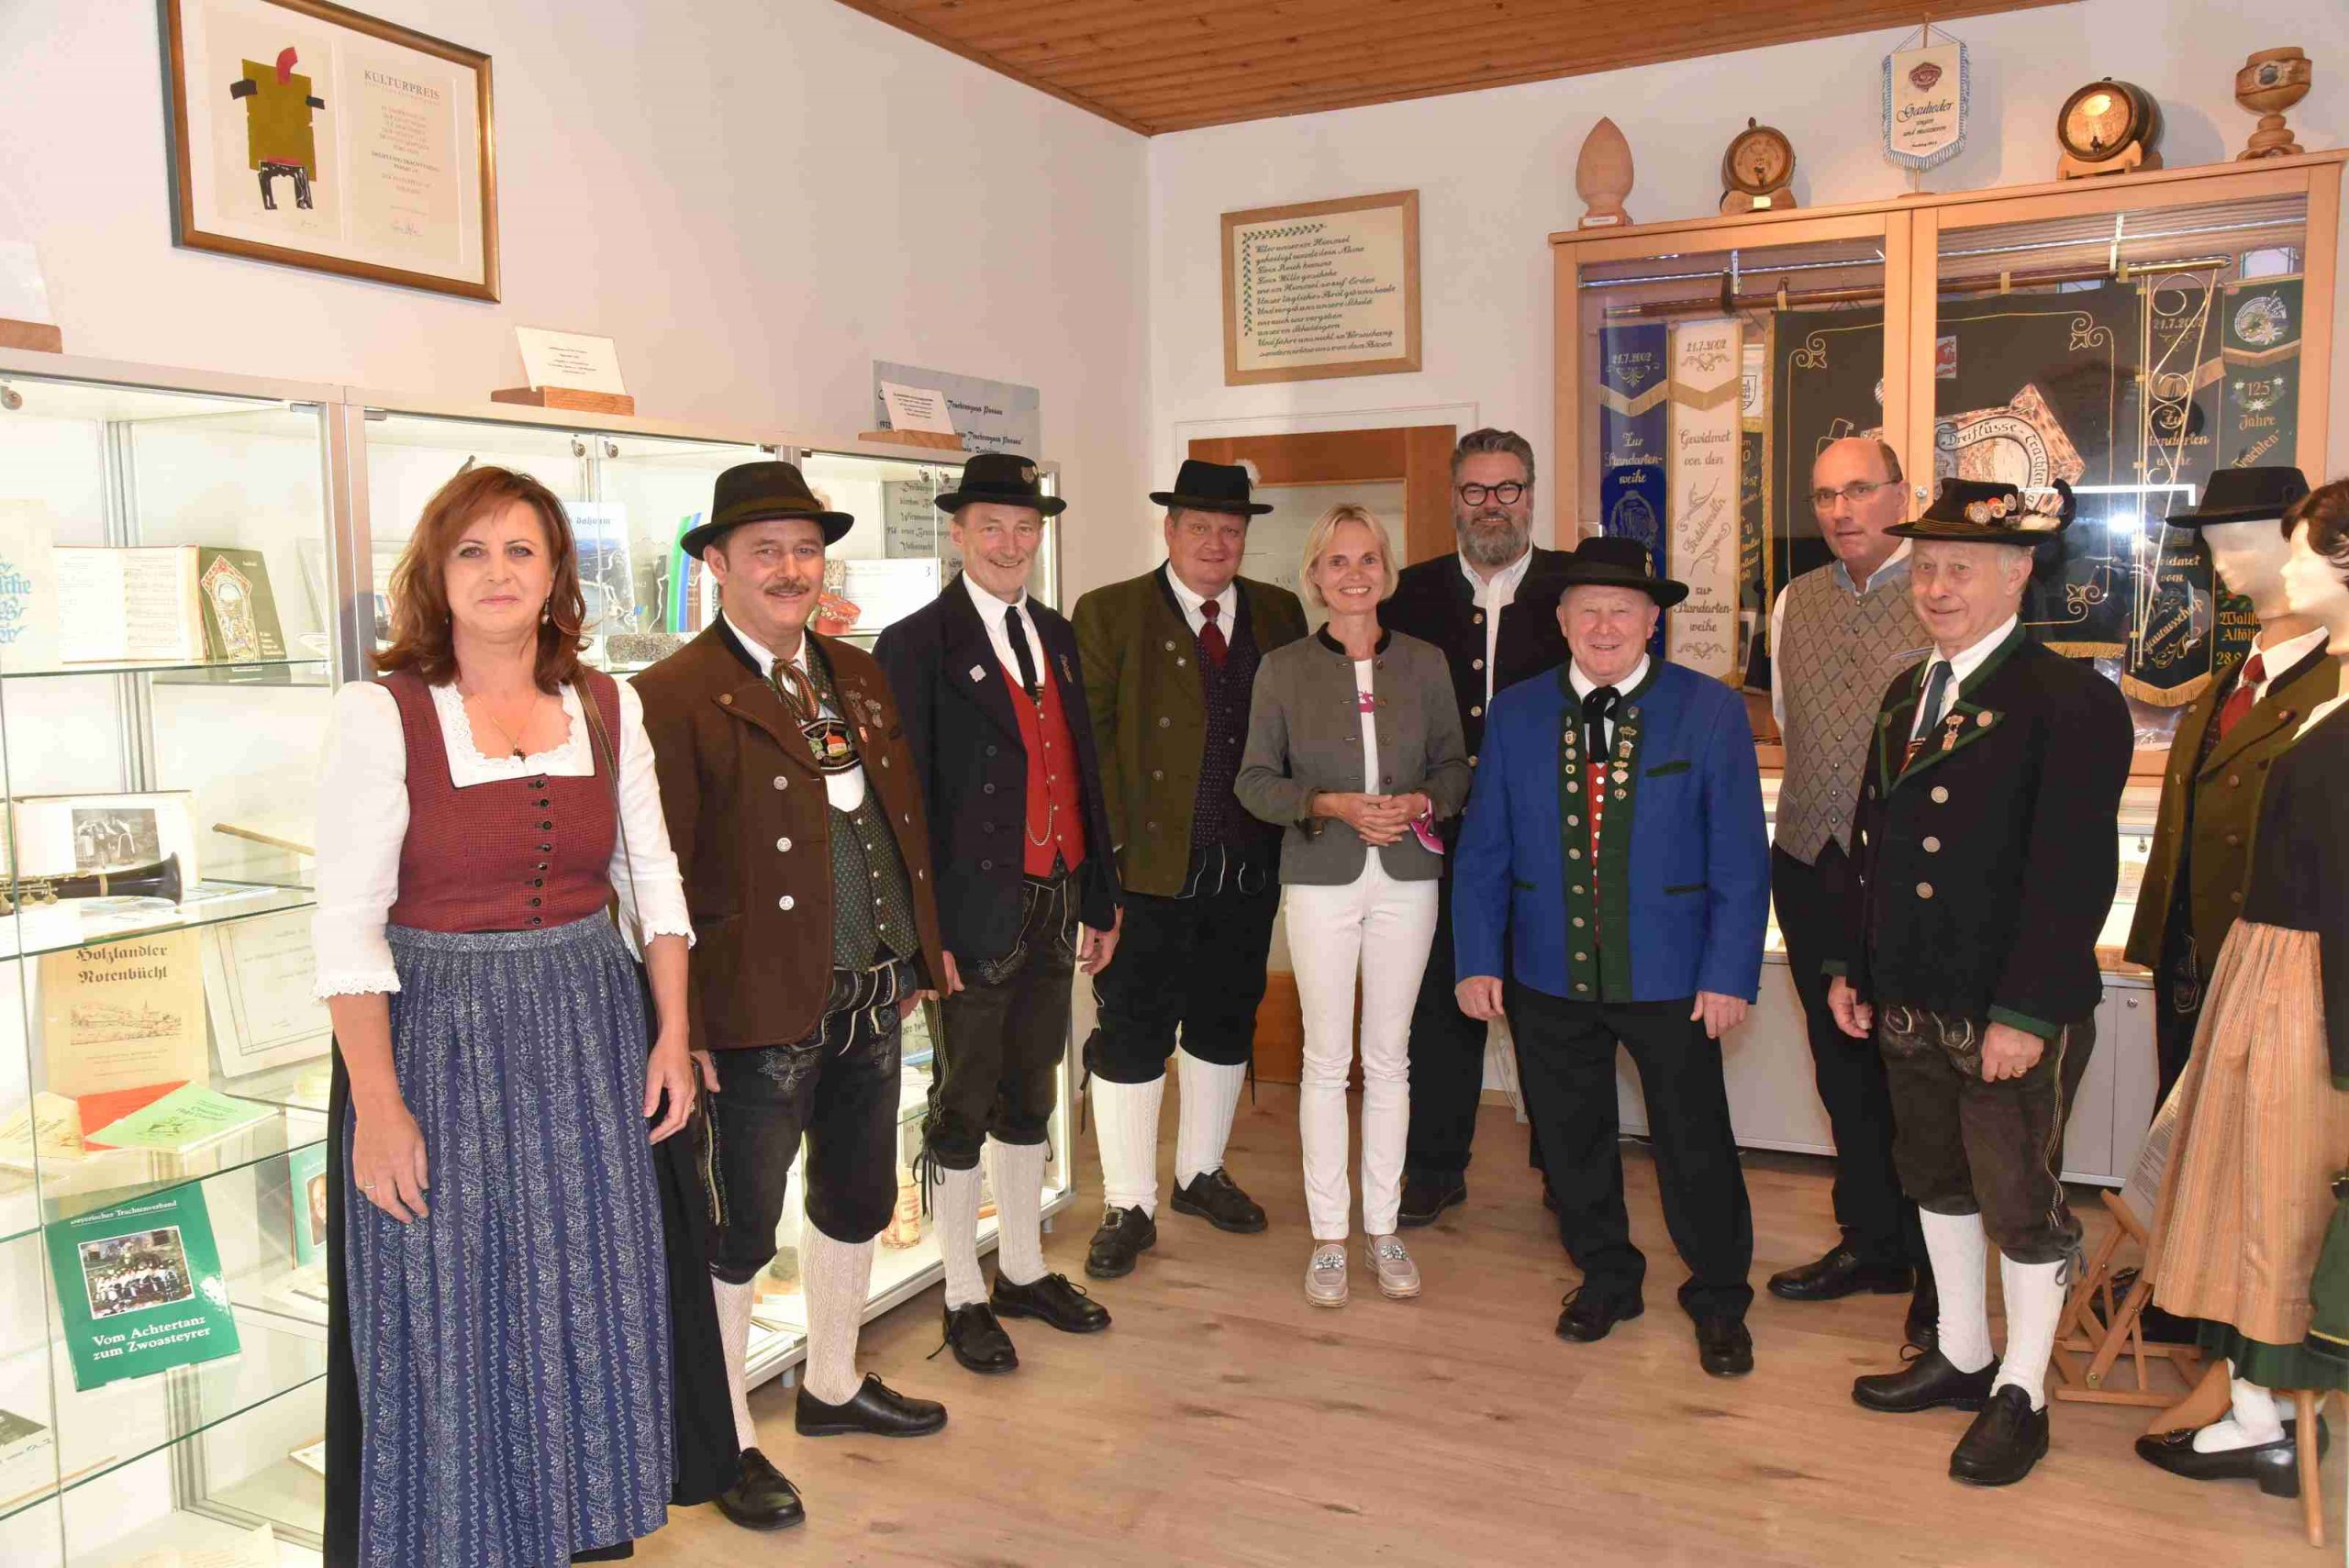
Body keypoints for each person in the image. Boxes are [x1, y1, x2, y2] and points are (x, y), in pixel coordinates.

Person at [314, 464, 729, 1566]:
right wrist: (378, 1107)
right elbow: (346, 928)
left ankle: (580, 1523)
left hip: (588, 1024)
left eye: (520, 550)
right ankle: (462, 1533)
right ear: (434, 573)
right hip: (437, 1034)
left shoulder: (608, 703)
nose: (496, 571)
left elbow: (654, 881)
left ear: (555, 574)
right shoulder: (384, 712)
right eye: (471, 550)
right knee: (450, 1294)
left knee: (586, 1283)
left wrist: (669, 1031)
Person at [634, 461, 951, 1535]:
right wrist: (680, 1023)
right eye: (764, 550)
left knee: (856, 1193)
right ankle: (726, 1437)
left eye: (805, 549)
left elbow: (900, 823)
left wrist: (915, 955)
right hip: (751, 1008)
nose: (789, 568)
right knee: (737, 1226)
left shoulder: (855, 672)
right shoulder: (672, 693)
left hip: (869, 988)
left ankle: (831, 1381)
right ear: (717, 565)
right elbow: (657, 876)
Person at [1832, 479, 2133, 1487]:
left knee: (2020, 1201)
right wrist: (1856, 967)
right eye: (1924, 566)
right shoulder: (1905, 691)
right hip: (1913, 992)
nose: (1936, 586)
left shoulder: (2069, 698)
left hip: (2006, 1003)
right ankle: (1961, 1352)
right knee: (1937, 1179)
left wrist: (2026, 1011)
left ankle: (2023, 1390)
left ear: (2017, 574)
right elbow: (1876, 845)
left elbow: (2074, 873)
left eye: (1960, 567)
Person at [1453, 536, 1769, 1378]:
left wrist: (1728, 972)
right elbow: (1483, 850)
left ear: (1652, 620)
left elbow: (1741, 858)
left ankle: (1719, 1296)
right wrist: (1478, 957)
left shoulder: (1709, 710)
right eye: (1587, 609)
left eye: (1621, 610)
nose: (1603, 625)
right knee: (1570, 1138)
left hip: (1674, 976)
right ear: (1561, 620)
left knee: (1694, 1142)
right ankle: (1607, 1276)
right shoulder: (1516, 712)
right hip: (1546, 971)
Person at [873, 452, 1121, 1373]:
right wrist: (919, 935)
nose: (1010, 543)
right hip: (970, 911)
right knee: (962, 1100)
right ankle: (960, 1292)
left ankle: (1019, 1267)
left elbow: (1084, 771)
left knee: (1033, 1087)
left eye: (1024, 527)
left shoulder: (1054, 632)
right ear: (958, 533)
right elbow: (900, 803)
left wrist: (1101, 893)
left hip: (1055, 895)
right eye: (992, 527)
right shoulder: (915, 643)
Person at [2135, 477, 2349, 1497]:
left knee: (2281, 1203)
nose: (2277, 563)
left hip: (2304, 980)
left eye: (2299, 546)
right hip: (2251, 970)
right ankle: (2252, 1403)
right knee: (2242, 1192)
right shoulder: (2264, 681)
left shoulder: (2330, 695)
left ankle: (2268, 1410)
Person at [1071, 459, 1308, 1280]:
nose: (1216, 542)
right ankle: (1128, 1202)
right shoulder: (1108, 612)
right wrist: (1103, 875)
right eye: (1199, 526)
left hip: (1247, 862)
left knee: (1225, 1018)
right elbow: (1091, 750)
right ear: (1169, 529)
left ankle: (1199, 1172)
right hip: (1147, 867)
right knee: (1133, 1028)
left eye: (1230, 529)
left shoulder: (1279, 611)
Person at [1236, 504, 1470, 1305]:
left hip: (1408, 875)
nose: (1354, 574)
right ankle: (1330, 1236)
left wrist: (1420, 802)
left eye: (1368, 558)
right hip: (1320, 875)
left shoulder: (1426, 664)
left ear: (1387, 570)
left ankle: (1384, 1226)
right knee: (1326, 1060)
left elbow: (1454, 768)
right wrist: (1329, 804)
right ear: (1314, 575)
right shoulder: (1283, 669)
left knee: (1391, 1058)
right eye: (1337, 561)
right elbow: (1254, 781)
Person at [1763, 437, 1936, 1348]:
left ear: (1901, 494)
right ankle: (1868, 1240)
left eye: (1860, 490)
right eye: (1825, 494)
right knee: (1840, 1064)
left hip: (1906, 871)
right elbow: (1793, 723)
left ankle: (1932, 1261)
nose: (1840, 510)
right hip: (1808, 861)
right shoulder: (1794, 599)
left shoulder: (1941, 590)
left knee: (1913, 1067)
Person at [1381, 428, 1574, 1225]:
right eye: (1475, 490)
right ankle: (1435, 1166)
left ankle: (1566, 1174)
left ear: (1530, 494)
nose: (1492, 504)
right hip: (1439, 833)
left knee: (1551, 1010)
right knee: (1439, 1002)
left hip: (1553, 838)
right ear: (1454, 499)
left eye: (1508, 488)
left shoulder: (1574, 587)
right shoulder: (1407, 595)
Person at [2125, 468, 2335, 1103]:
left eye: (2237, 542)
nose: (2219, 563)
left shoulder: (2335, 691)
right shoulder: (2228, 682)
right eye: (2211, 546)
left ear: (2294, 541)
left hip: (2277, 969)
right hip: (2189, 960)